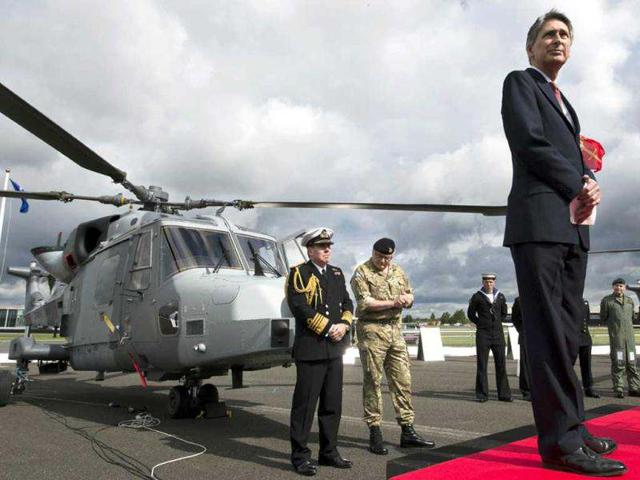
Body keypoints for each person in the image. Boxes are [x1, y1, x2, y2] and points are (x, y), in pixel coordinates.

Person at [502, 9, 625, 476]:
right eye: (549, 34)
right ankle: (559, 443)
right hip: (539, 226)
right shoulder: (521, 83)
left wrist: (589, 179)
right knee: (549, 334)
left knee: (570, 334)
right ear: (531, 47)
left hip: (572, 228)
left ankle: (575, 426)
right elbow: (530, 144)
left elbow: (571, 155)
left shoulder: (564, 102)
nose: (558, 41)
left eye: (565, 36)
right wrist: (578, 179)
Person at [350, 238, 434, 456]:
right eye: (380, 257)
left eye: (388, 257)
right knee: (373, 381)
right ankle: (375, 432)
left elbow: (410, 294)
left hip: (395, 331)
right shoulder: (362, 272)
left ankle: (407, 431)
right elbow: (364, 303)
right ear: (373, 253)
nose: (384, 261)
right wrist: (394, 303)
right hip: (372, 331)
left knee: (402, 381)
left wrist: (408, 299)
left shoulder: (398, 270)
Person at [287, 227, 354, 476]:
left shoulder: (336, 274)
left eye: (329, 245)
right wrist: (329, 328)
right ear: (310, 249)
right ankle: (300, 456)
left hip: (334, 350)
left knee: (332, 405)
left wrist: (345, 325)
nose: (328, 249)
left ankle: (328, 452)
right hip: (311, 349)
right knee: (305, 407)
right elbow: (300, 308)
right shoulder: (298, 274)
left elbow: (348, 303)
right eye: (322, 246)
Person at [467, 274, 512, 403]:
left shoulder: (501, 296)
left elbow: (504, 313)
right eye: (486, 281)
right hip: (483, 335)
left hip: (498, 335)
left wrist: (496, 323)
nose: (489, 284)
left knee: (501, 365)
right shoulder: (477, 297)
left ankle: (504, 394)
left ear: (494, 282)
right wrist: (480, 323)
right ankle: (482, 395)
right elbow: (470, 314)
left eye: (491, 281)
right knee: (482, 365)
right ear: (483, 282)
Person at [600, 278, 640, 399]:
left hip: (630, 339)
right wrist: (614, 328)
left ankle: (634, 388)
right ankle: (619, 388)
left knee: (632, 363)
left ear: (624, 287)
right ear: (613, 287)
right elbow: (603, 317)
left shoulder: (629, 301)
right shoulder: (607, 301)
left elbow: (633, 317)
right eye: (617, 285)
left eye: (621, 286)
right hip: (617, 339)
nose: (619, 288)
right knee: (619, 363)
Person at [511, 297, 531, 401]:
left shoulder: (542, 296)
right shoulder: (519, 300)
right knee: (525, 365)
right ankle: (526, 391)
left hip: (541, 337)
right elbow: (515, 318)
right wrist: (522, 330)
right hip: (525, 335)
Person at [580, 299, 600, 398]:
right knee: (568, 364)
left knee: (586, 364)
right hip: (572, 336)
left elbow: (587, 319)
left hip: (585, 336)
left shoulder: (585, 302)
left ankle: (588, 387)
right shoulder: (567, 299)